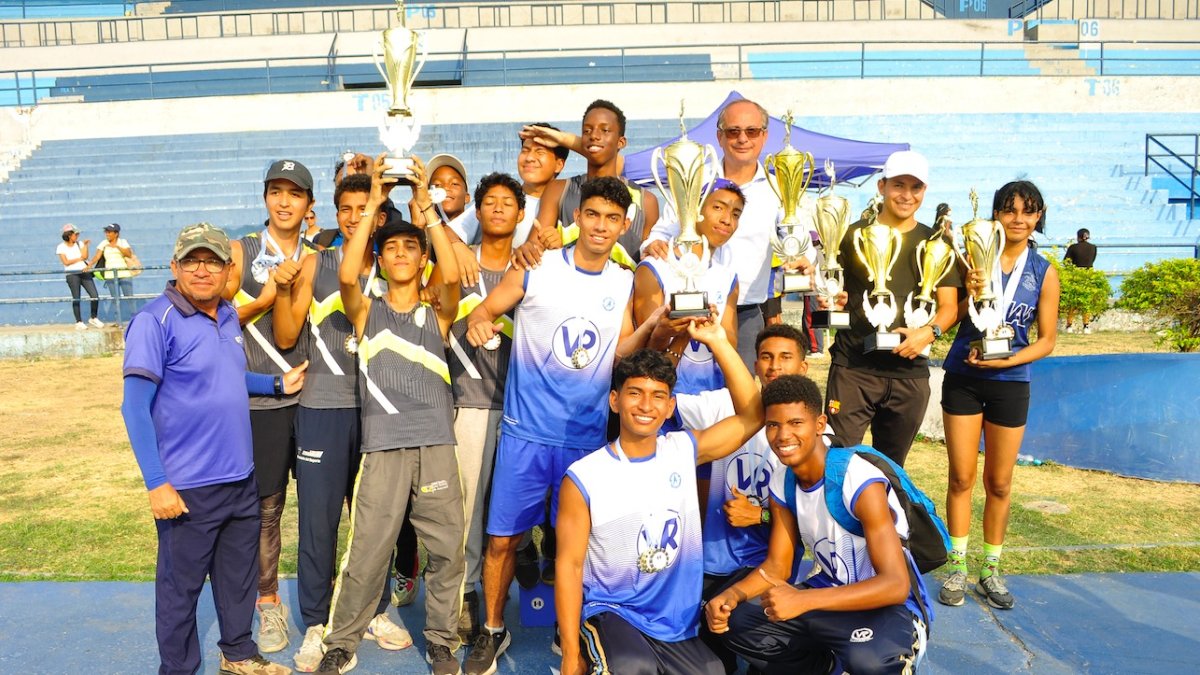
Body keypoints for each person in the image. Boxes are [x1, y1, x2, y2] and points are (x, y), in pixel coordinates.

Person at [462, 176, 649, 675]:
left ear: (624, 226)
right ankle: (493, 630)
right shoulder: (536, 266)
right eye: (593, 215)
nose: (601, 226)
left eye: (612, 219)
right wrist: (479, 323)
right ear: (577, 217)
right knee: (502, 540)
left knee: (578, 546)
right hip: (525, 432)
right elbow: (484, 309)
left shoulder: (623, 282)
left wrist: (654, 326)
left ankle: (571, 634)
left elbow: (621, 348)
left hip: (585, 440)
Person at [120, 222, 305, 675]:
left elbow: (226, 375)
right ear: (175, 266)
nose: (202, 270)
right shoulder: (154, 321)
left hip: (240, 478)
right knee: (180, 591)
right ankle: (178, 669)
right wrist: (157, 483)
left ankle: (238, 654)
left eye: (213, 262)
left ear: (227, 270)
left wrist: (276, 384)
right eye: (192, 261)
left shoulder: (226, 313)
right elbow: (134, 407)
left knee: (238, 579)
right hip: (188, 487)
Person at [315, 155, 465, 675]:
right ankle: (341, 642)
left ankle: (442, 641)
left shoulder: (435, 312)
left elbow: (452, 273)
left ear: (422, 259)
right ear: (380, 258)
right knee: (368, 552)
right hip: (382, 449)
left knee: (446, 550)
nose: (401, 253)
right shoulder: (366, 311)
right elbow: (347, 272)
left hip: (436, 445)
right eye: (391, 248)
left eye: (410, 247)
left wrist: (426, 207)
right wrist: (375, 203)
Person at [555, 315, 764, 675]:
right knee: (632, 667)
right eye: (635, 393)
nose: (645, 406)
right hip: (614, 613)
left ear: (670, 407)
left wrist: (718, 341)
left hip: (675, 624)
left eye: (658, 396)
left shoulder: (682, 450)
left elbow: (753, 415)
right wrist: (571, 654)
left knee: (714, 671)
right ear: (615, 400)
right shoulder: (585, 477)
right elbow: (569, 566)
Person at [270, 173, 411, 671]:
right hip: (323, 409)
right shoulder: (317, 262)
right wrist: (283, 291)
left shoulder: (395, 265)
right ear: (335, 214)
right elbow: (286, 336)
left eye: (364, 208)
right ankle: (316, 622)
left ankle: (373, 609)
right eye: (346, 209)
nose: (355, 217)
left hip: (380, 412)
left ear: (380, 215)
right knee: (319, 521)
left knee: (375, 520)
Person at [707, 375, 929, 674]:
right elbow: (778, 567)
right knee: (739, 621)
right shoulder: (782, 480)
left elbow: (895, 585)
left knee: (871, 663)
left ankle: (894, 653)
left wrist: (803, 599)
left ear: (820, 424)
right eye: (773, 425)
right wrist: (732, 595)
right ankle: (827, 668)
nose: (783, 435)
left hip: (886, 606)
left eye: (795, 423)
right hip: (830, 594)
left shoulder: (858, 481)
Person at [939, 181, 1060, 611]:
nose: (1018, 219)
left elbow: (1047, 340)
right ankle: (957, 566)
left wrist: (1007, 361)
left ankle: (990, 569)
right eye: (1009, 211)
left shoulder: (1044, 272)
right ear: (995, 215)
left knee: (1000, 483)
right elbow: (949, 314)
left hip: (1011, 383)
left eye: (1028, 212)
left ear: (1039, 217)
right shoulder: (971, 259)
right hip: (964, 377)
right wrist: (969, 288)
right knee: (961, 478)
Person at [673, 323, 814, 673]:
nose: (775, 366)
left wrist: (760, 515)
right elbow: (660, 399)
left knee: (752, 639)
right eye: (766, 356)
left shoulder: (812, 431)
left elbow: (813, 521)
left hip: (768, 566)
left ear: (803, 366)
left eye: (785, 357)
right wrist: (675, 338)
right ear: (754, 364)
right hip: (712, 560)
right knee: (708, 661)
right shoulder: (723, 403)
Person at [223, 159, 318, 653]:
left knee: (326, 507)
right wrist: (262, 300)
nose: (284, 201)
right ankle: (267, 603)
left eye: (294, 193)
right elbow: (212, 321)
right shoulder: (241, 251)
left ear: (309, 204)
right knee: (267, 509)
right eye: (276, 191)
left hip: (317, 400)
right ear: (265, 198)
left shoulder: (320, 254)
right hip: (261, 403)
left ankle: (338, 604)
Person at [821, 150, 961, 467]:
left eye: (916, 187)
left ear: (925, 190)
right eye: (899, 185)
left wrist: (928, 332)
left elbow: (949, 307)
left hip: (909, 375)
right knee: (837, 463)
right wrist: (832, 300)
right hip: (854, 369)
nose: (907, 195)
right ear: (882, 186)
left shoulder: (936, 243)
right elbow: (834, 289)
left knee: (891, 469)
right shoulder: (852, 234)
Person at [642, 98, 799, 369]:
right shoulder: (695, 178)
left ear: (764, 136)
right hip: (688, 307)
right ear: (719, 137)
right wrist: (653, 243)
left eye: (751, 131)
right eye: (733, 131)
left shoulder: (778, 188)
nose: (742, 139)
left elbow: (795, 237)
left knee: (738, 388)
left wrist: (802, 258)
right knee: (676, 383)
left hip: (746, 313)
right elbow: (662, 231)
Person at [442, 172, 527, 646]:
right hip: (470, 403)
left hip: (519, 407)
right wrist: (453, 243)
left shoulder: (529, 268)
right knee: (468, 508)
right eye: (489, 201)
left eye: (507, 202)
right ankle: (467, 592)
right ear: (477, 211)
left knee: (512, 508)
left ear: (521, 213)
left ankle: (519, 575)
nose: (497, 208)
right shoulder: (458, 263)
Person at [634, 179, 742, 395]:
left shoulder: (728, 277)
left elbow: (729, 348)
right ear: (693, 209)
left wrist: (711, 329)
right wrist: (673, 332)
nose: (727, 220)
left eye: (736, 214)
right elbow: (643, 352)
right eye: (718, 207)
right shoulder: (654, 267)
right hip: (662, 400)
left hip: (711, 399)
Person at [526, 99, 660, 267]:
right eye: (587, 131)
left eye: (605, 130)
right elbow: (532, 249)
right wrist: (542, 246)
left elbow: (649, 263)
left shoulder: (646, 201)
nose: (594, 136)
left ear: (621, 142)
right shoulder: (559, 190)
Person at [450, 123, 569, 251]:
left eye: (540, 152)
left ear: (559, 164)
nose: (529, 158)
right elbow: (448, 236)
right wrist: (464, 252)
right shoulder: (497, 199)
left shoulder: (569, 205)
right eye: (525, 150)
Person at [56, 223, 102, 330]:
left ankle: (93, 317)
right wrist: (79, 258)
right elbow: (66, 262)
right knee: (76, 297)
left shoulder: (80, 243)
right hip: (72, 274)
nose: (77, 236)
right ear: (69, 235)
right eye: (75, 234)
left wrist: (85, 246)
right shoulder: (61, 247)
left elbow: (85, 256)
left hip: (84, 272)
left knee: (94, 295)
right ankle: (79, 321)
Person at [91, 222, 136, 322]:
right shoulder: (103, 243)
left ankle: (135, 318)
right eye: (106, 232)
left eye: (109, 232)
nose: (107, 234)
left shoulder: (123, 242)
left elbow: (129, 254)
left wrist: (117, 246)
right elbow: (97, 256)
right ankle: (118, 320)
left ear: (116, 233)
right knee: (115, 299)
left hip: (124, 274)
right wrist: (89, 265)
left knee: (129, 298)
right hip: (110, 275)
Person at [1063, 227, 1096, 334]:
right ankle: (1086, 325)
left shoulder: (1073, 247)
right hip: (1088, 275)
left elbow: (1066, 262)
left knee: (1073, 301)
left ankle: (1069, 325)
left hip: (1076, 275)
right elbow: (1092, 260)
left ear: (1078, 237)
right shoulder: (1093, 247)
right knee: (1086, 301)